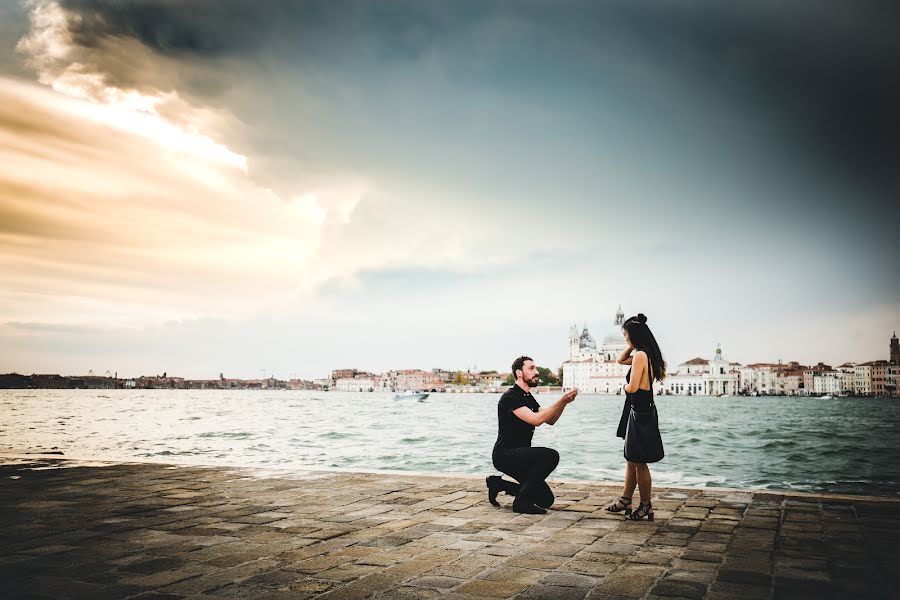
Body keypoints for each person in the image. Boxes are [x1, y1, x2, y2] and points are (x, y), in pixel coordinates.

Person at [488, 356, 578, 514]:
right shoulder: (510, 397)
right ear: (519, 373)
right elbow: (536, 420)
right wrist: (560, 401)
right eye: (531, 368)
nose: (536, 372)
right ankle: (521, 503)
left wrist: (563, 403)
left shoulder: (527, 398)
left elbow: (551, 419)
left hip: (521, 457)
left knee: (545, 500)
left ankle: (499, 484)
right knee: (550, 456)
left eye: (536, 368)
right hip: (506, 455)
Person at [606, 313, 667, 521]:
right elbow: (621, 359)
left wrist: (621, 386)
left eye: (626, 334)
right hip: (642, 409)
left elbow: (632, 387)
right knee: (632, 459)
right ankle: (625, 500)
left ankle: (645, 505)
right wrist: (633, 344)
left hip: (639, 412)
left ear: (634, 334)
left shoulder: (641, 355)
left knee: (639, 461)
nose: (624, 338)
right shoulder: (644, 354)